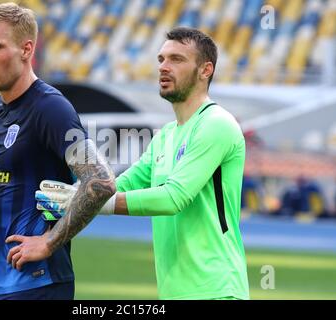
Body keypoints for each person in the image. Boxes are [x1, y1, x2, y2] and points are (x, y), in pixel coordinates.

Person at [32, 27, 250, 300]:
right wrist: (78, 193)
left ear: (206, 70)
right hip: (177, 291)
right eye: (161, 59)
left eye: (177, 59)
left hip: (217, 289)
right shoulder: (166, 135)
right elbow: (121, 183)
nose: (164, 67)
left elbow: (173, 198)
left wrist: (94, 201)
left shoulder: (216, 123)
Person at [0, 2, 115, 300]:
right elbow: (1, 183)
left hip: (38, 285)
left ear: (26, 50)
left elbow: (100, 181)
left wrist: (49, 242)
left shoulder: (50, 108)